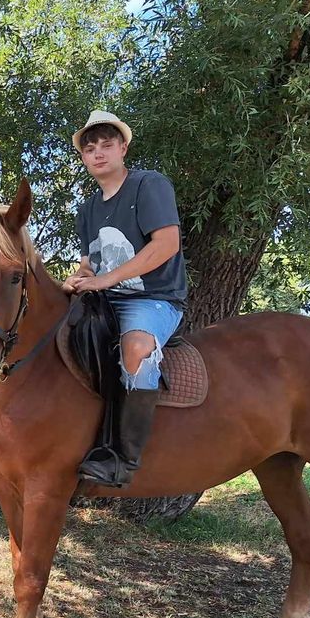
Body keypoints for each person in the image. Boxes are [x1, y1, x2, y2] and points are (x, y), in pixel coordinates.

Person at [63, 110, 186, 487]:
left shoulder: (149, 185)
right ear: (83, 157)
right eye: (90, 148)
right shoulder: (87, 209)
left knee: (135, 349)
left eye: (106, 144)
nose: (98, 153)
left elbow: (167, 244)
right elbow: (89, 265)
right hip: (104, 300)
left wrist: (106, 280)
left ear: (123, 148)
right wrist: (76, 280)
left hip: (153, 298)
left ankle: (123, 458)